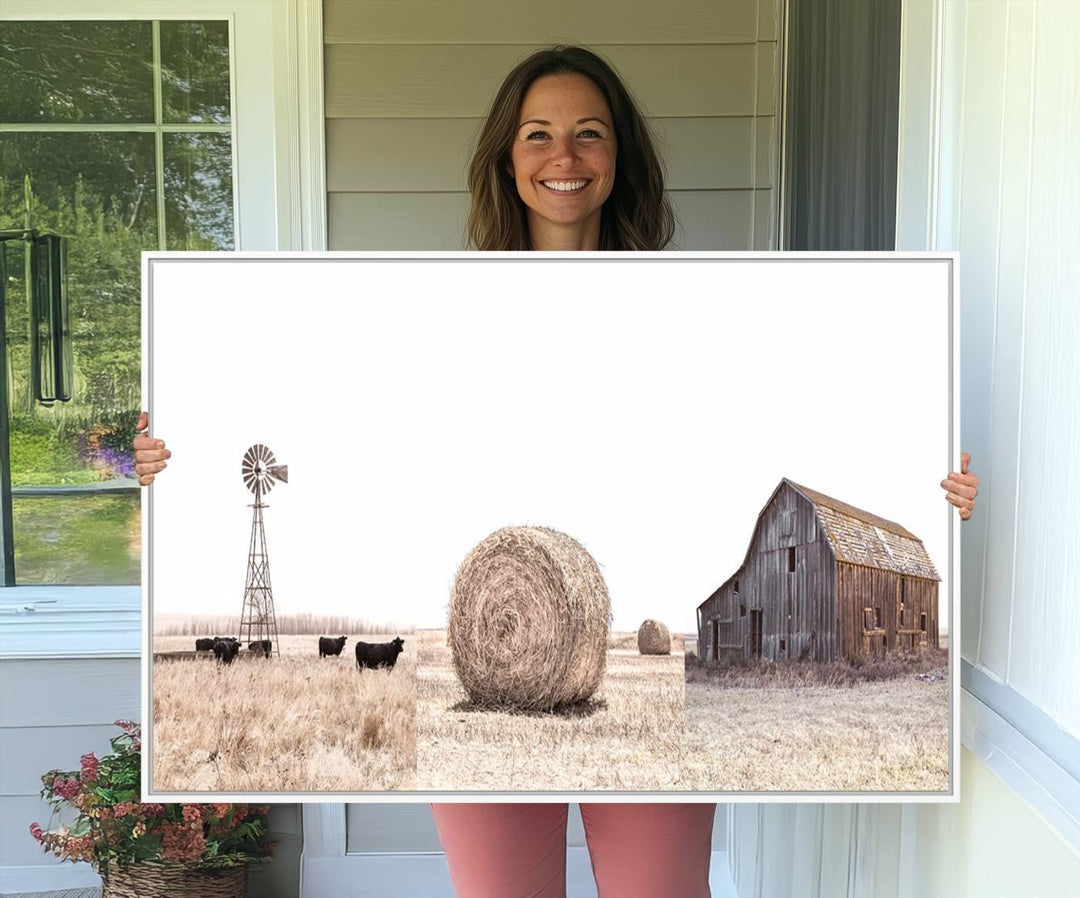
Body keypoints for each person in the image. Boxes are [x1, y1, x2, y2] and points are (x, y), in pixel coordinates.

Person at [134, 44, 979, 898]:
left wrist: (926, 487)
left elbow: (783, 424)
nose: (563, 157)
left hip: (644, 661)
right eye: (538, 135)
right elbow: (342, 430)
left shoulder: (705, 314)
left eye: (589, 134)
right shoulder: (427, 319)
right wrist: (183, 461)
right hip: (483, 667)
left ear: (619, 159)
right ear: (507, 158)